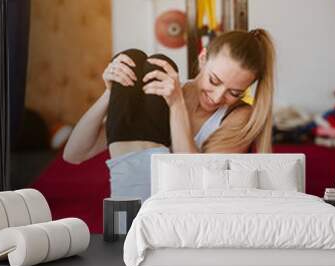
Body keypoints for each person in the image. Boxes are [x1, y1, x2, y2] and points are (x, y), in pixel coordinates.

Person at [63, 28, 276, 202]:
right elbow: (73, 155)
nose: (218, 97)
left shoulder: (238, 116)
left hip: (182, 213)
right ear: (202, 59)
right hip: (129, 207)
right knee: (133, 60)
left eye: (235, 92)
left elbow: (200, 186)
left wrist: (176, 105)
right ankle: (124, 222)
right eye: (214, 80)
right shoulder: (164, 91)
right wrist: (109, 94)